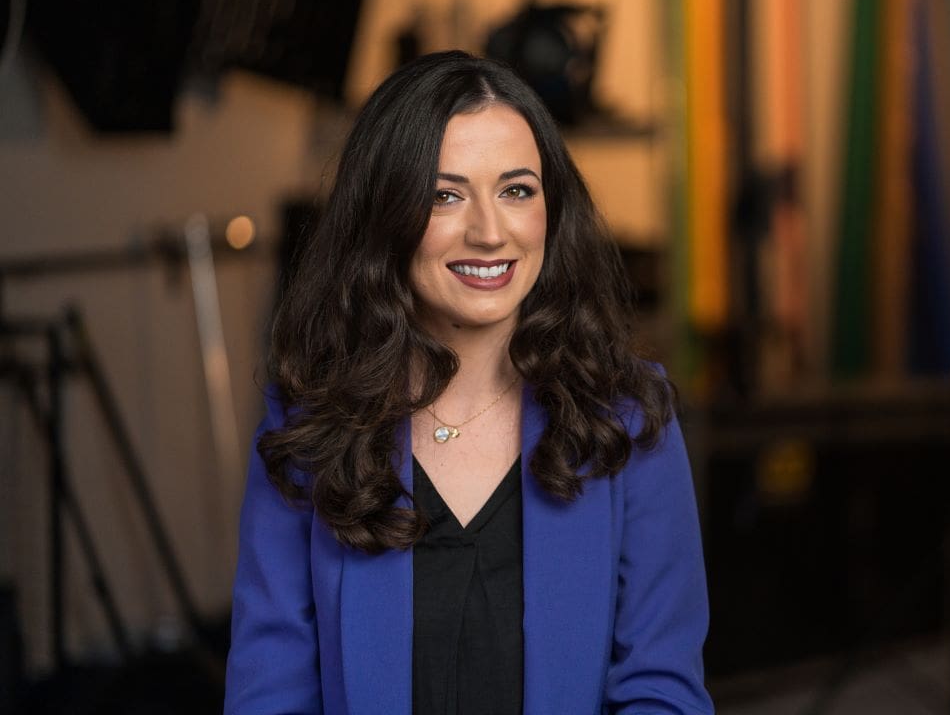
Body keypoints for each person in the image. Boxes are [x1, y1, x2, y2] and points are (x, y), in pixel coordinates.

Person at [224, 51, 711, 714]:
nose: (489, 232)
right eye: (444, 195)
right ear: (386, 215)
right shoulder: (309, 428)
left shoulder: (627, 419)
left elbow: (662, 688)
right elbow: (269, 691)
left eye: (517, 190)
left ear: (552, 208)